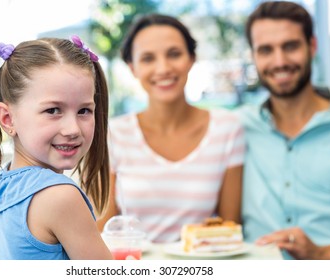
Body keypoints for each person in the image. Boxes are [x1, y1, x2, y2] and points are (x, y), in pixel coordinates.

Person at [97, 14, 245, 243]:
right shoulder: (113, 135)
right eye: (148, 58)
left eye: (174, 54)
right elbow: (103, 232)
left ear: (191, 59)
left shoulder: (226, 129)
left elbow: (229, 230)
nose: (163, 68)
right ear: (132, 68)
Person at [0, 35, 113, 260]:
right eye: (53, 110)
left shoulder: (5, 182)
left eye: (84, 111)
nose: (73, 129)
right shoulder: (60, 196)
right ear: (8, 119)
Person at [239, 1, 330, 259]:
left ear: (312, 46)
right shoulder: (237, 127)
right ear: (254, 56)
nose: (279, 61)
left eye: (290, 46)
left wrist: (321, 253)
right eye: (266, 50)